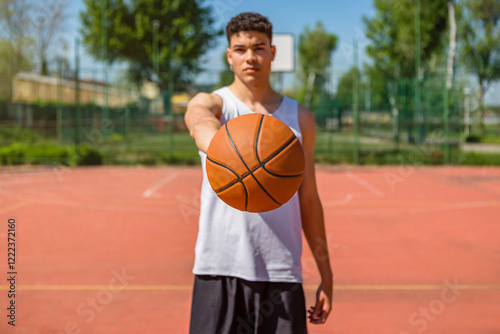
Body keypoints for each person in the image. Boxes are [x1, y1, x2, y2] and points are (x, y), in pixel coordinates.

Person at [184, 12, 333, 334]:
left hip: (281, 271)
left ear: (273, 52)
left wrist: (326, 273)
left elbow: (309, 199)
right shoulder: (216, 104)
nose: (250, 56)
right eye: (240, 49)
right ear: (229, 55)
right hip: (219, 266)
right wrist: (229, 153)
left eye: (259, 47)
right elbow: (198, 120)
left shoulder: (299, 117)